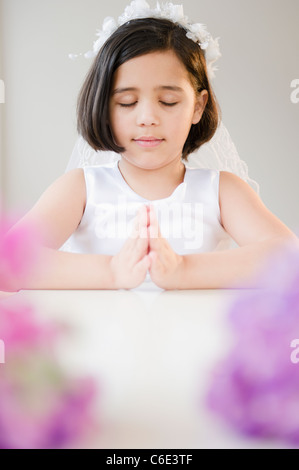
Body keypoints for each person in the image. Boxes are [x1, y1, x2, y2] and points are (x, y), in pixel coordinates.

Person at [6, 1, 297, 292]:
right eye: (127, 103)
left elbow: (289, 258)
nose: (147, 118)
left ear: (198, 106)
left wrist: (183, 270)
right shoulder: (81, 189)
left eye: (168, 102)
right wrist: (111, 271)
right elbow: (9, 263)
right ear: (103, 107)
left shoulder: (222, 191)